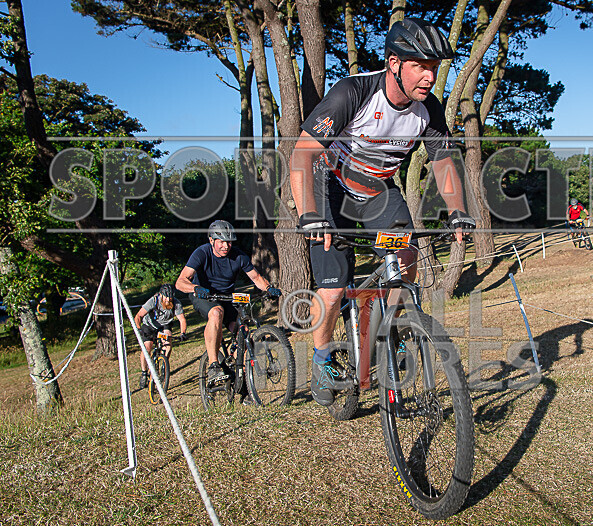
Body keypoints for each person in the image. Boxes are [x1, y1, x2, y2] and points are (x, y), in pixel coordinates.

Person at [289, 18, 475, 406]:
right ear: (394, 63)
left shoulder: (429, 109)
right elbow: (302, 154)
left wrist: (457, 210)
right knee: (333, 287)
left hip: (378, 189)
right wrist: (309, 214)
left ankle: (392, 332)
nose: (429, 77)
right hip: (330, 185)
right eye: (420, 66)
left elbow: (443, 161)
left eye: (434, 68)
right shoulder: (353, 92)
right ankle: (322, 361)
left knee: (406, 258)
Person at [175, 219, 278, 387]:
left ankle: (240, 379)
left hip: (226, 297)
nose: (226, 246)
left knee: (243, 332)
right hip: (203, 295)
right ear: (211, 240)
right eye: (221, 242)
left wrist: (269, 288)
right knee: (216, 313)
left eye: (229, 242)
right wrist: (195, 288)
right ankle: (213, 365)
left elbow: (256, 278)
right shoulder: (202, 253)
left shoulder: (238, 256)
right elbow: (180, 282)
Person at [133, 283, 188, 389]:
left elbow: (182, 319)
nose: (168, 300)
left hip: (164, 326)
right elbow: (138, 316)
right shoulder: (153, 301)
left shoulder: (176, 303)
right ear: (161, 295)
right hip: (149, 325)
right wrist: (139, 329)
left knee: (168, 344)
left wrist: (183, 333)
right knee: (147, 348)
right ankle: (144, 373)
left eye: (170, 297)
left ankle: (164, 365)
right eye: (166, 297)